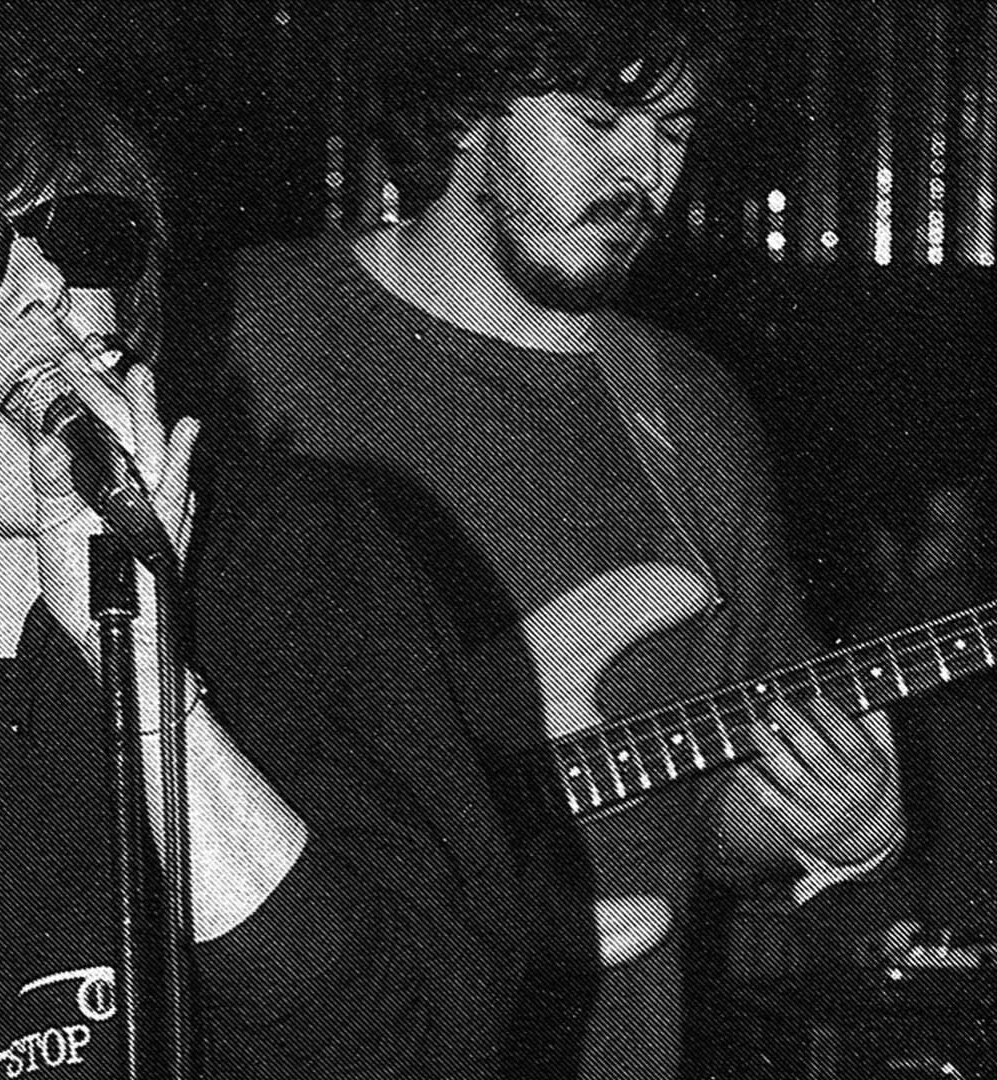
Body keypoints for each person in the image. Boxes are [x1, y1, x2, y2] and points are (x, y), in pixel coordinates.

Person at [0, 31, 604, 1079]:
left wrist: (150, 686)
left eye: (81, 239)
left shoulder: (297, 569)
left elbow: (416, 1043)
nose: (45, 289)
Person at [225, 3, 904, 1078]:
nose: (644, 174)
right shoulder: (243, 337)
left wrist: (835, 824)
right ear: (467, 116)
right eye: (597, 122)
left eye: (673, 133)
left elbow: (715, 818)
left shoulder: (691, 414)